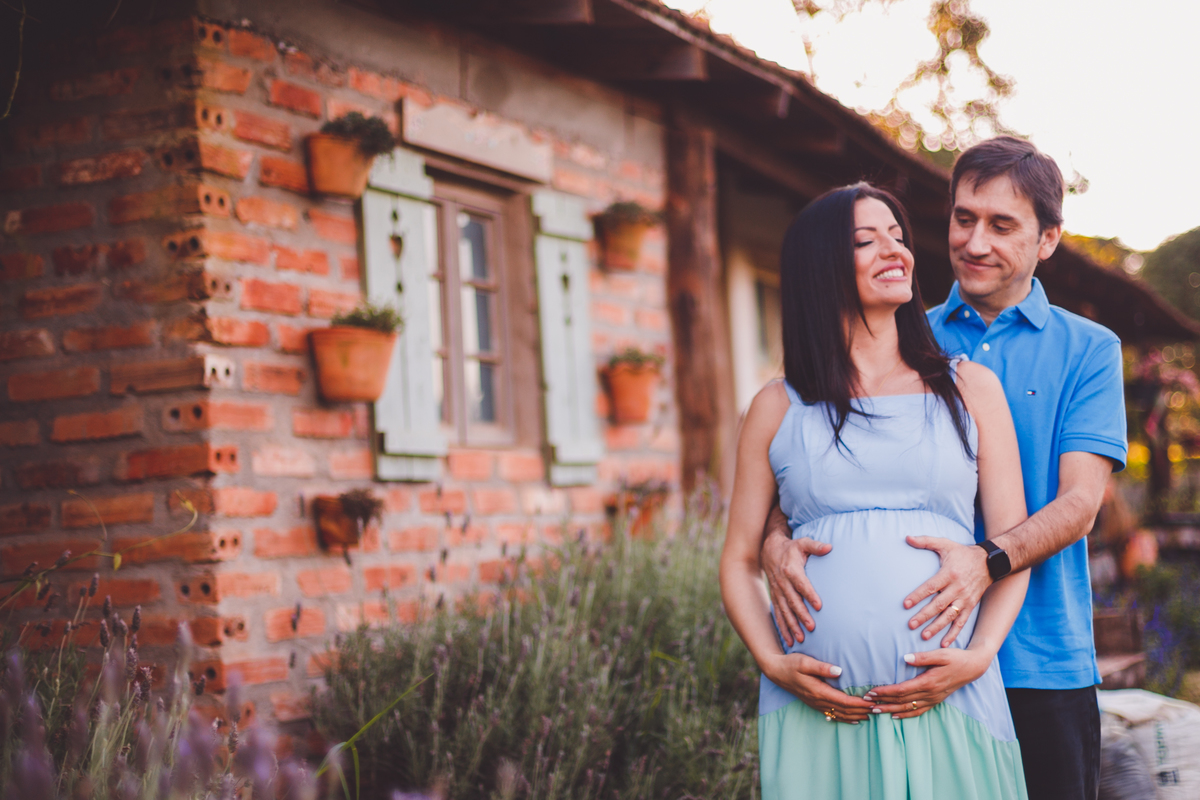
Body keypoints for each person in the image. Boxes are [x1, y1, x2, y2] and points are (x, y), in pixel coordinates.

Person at [760, 136, 1128, 800]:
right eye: (964, 218)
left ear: (1048, 240)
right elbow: (811, 470)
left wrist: (985, 559)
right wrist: (773, 542)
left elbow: (1080, 504)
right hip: (903, 670)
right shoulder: (900, 334)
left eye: (1002, 225)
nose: (974, 242)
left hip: (1040, 660)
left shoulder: (1088, 349)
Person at [720, 182, 1031, 799]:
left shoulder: (971, 389)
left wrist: (978, 657)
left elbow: (1010, 545)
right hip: (817, 713)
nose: (895, 251)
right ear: (819, 269)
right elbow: (737, 559)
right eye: (866, 240)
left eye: (897, 236)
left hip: (951, 700)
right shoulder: (777, 406)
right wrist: (772, 662)